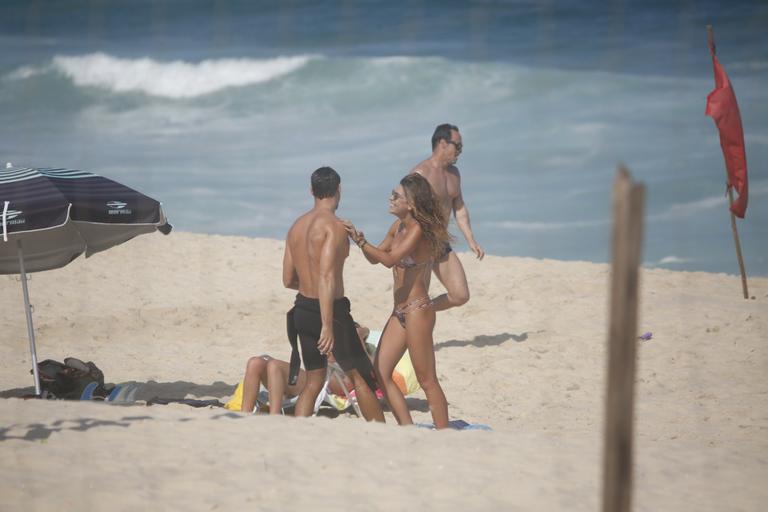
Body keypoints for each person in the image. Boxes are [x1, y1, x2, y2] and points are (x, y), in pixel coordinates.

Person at [344, 173, 452, 429]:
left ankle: (445, 434)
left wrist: (361, 241)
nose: (390, 199)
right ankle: (407, 429)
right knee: (381, 372)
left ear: (411, 204)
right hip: (399, 312)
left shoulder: (417, 230)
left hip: (417, 311)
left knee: (427, 380)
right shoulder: (398, 227)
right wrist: (359, 241)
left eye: (396, 196)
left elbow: (390, 260)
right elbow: (377, 257)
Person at [282, 166, 385, 422]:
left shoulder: (296, 226)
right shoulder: (334, 227)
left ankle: (296, 431)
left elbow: (288, 279)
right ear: (339, 190)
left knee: (314, 381)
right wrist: (327, 324)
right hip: (330, 313)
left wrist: (310, 288)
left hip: (302, 309)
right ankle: (384, 434)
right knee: (360, 377)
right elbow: (327, 276)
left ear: (311, 191)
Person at [409, 123, 484, 312]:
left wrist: (471, 240)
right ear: (442, 143)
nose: (460, 151)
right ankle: (412, 318)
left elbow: (459, 208)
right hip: (420, 243)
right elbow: (406, 212)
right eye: (457, 146)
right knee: (418, 294)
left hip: (440, 241)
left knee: (460, 295)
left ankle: (421, 311)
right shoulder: (420, 174)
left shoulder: (454, 174)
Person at [239, 323, 372, 414]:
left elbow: (366, 369)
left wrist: (359, 335)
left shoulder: (364, 362)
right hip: (308, 380)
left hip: (314, 387)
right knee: (254, 363)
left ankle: (275, 416)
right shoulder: (337, 353)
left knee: (274, 366)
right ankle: (245, 415)